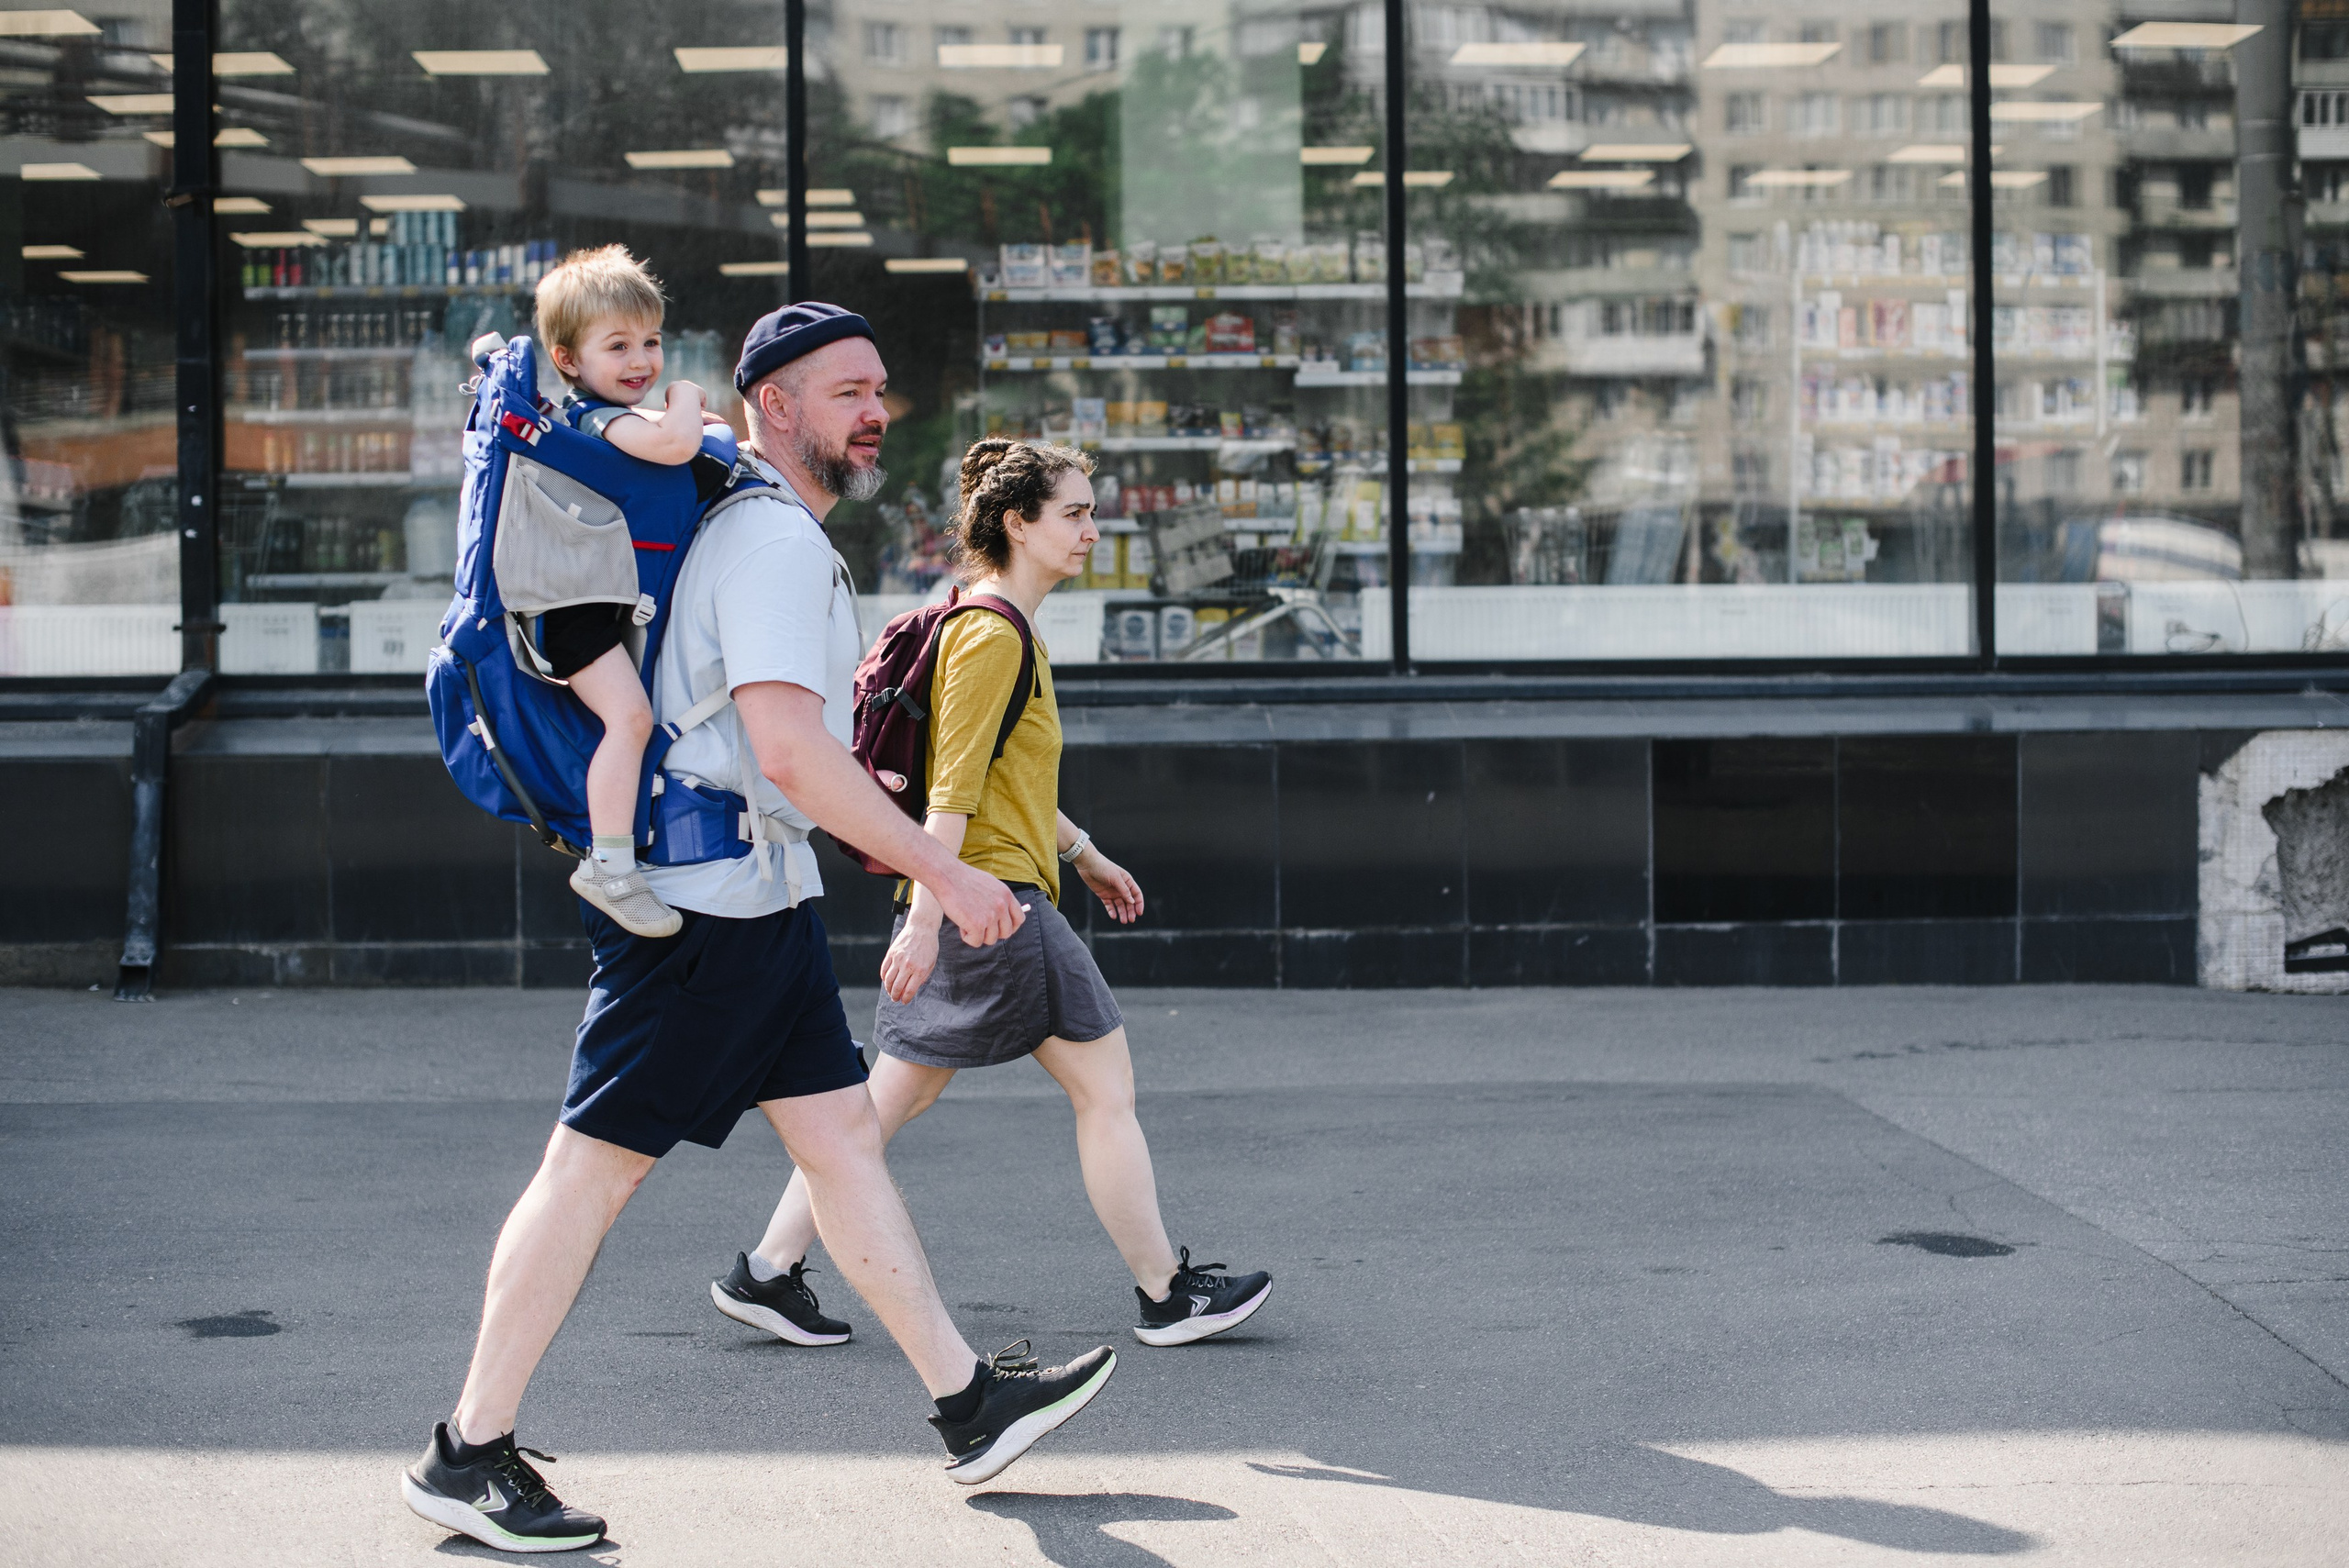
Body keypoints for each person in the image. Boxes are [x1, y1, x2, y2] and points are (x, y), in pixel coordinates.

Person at [402, 307, 1117, 1556]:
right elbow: (788, 746)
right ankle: (467, 1448)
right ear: (775, 409)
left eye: (879, 386)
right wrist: (943, 872)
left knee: (840, 1140)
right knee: (594, 1170)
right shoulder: (771, 543)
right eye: (846, 391)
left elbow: (789, 757)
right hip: (704, 912)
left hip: (754, 895)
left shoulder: (764, 530)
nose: (873, 409)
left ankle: (965, 1401)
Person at [709, 438, 1272, 1358]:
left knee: (879, 1108)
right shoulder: (989, 633)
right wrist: (930, 914)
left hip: (989, 891)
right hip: (993, 904)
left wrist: (1082, 850)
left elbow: (1004, 780)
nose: (1094, 528)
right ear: (1018, 523)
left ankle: (768, 1269)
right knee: (1104, 1087)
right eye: (1076, 513)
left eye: (1092, 511)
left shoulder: (997, 623)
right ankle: (1167, 1289)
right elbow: (953, 790)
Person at [530, 245, 718, 940]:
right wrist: (690, 399)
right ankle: (608, 864)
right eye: (618, 346)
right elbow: (674, 447)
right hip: (574, 611)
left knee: (633, 720)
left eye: (651, 341)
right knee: (630, 721)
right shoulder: (597, 419)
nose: (641, 360)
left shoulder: (605, 416)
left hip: (589, 601)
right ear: (569, 359)